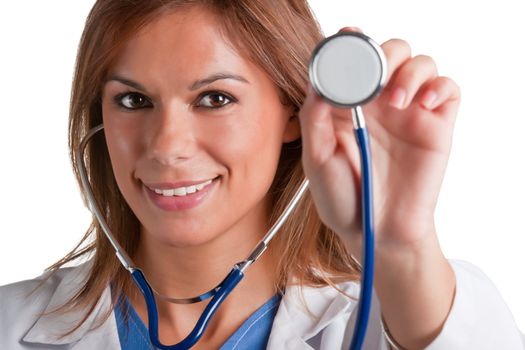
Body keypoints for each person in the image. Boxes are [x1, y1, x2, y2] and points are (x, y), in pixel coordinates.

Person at [0, 0, 523, 349]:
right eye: (133, 100)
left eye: (215, 98)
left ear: (294, 113)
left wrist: (399, 243)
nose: (166, 146)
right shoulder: (10, 324)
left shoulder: (382, 323)